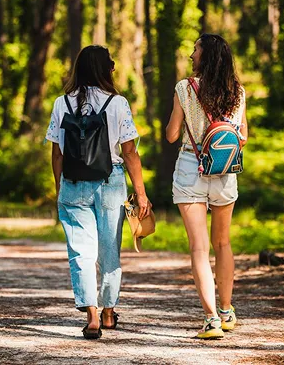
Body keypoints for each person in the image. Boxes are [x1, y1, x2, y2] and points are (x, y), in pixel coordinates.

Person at [45, 45, 151, 339]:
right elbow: (129, 151)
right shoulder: (117, 103)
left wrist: (59, 188)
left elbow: (57, 153)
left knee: (81, 251)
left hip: (73, 183)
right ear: (106, 70)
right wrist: (140, 194)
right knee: (108, 250)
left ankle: (91, 315)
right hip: (110, 182)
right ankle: (108, 312)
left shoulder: (60, 103)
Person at [166, 33, 248, 339]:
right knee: (223, 243)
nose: (191, 55)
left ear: (207, 56)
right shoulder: (237, 92)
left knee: (199, 247)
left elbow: (173, 135)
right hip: (226, 171)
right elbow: (243, 137)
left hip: (191, 167)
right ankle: (227, 311)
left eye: (196, 50)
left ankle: (211, 319)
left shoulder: (185, 88)